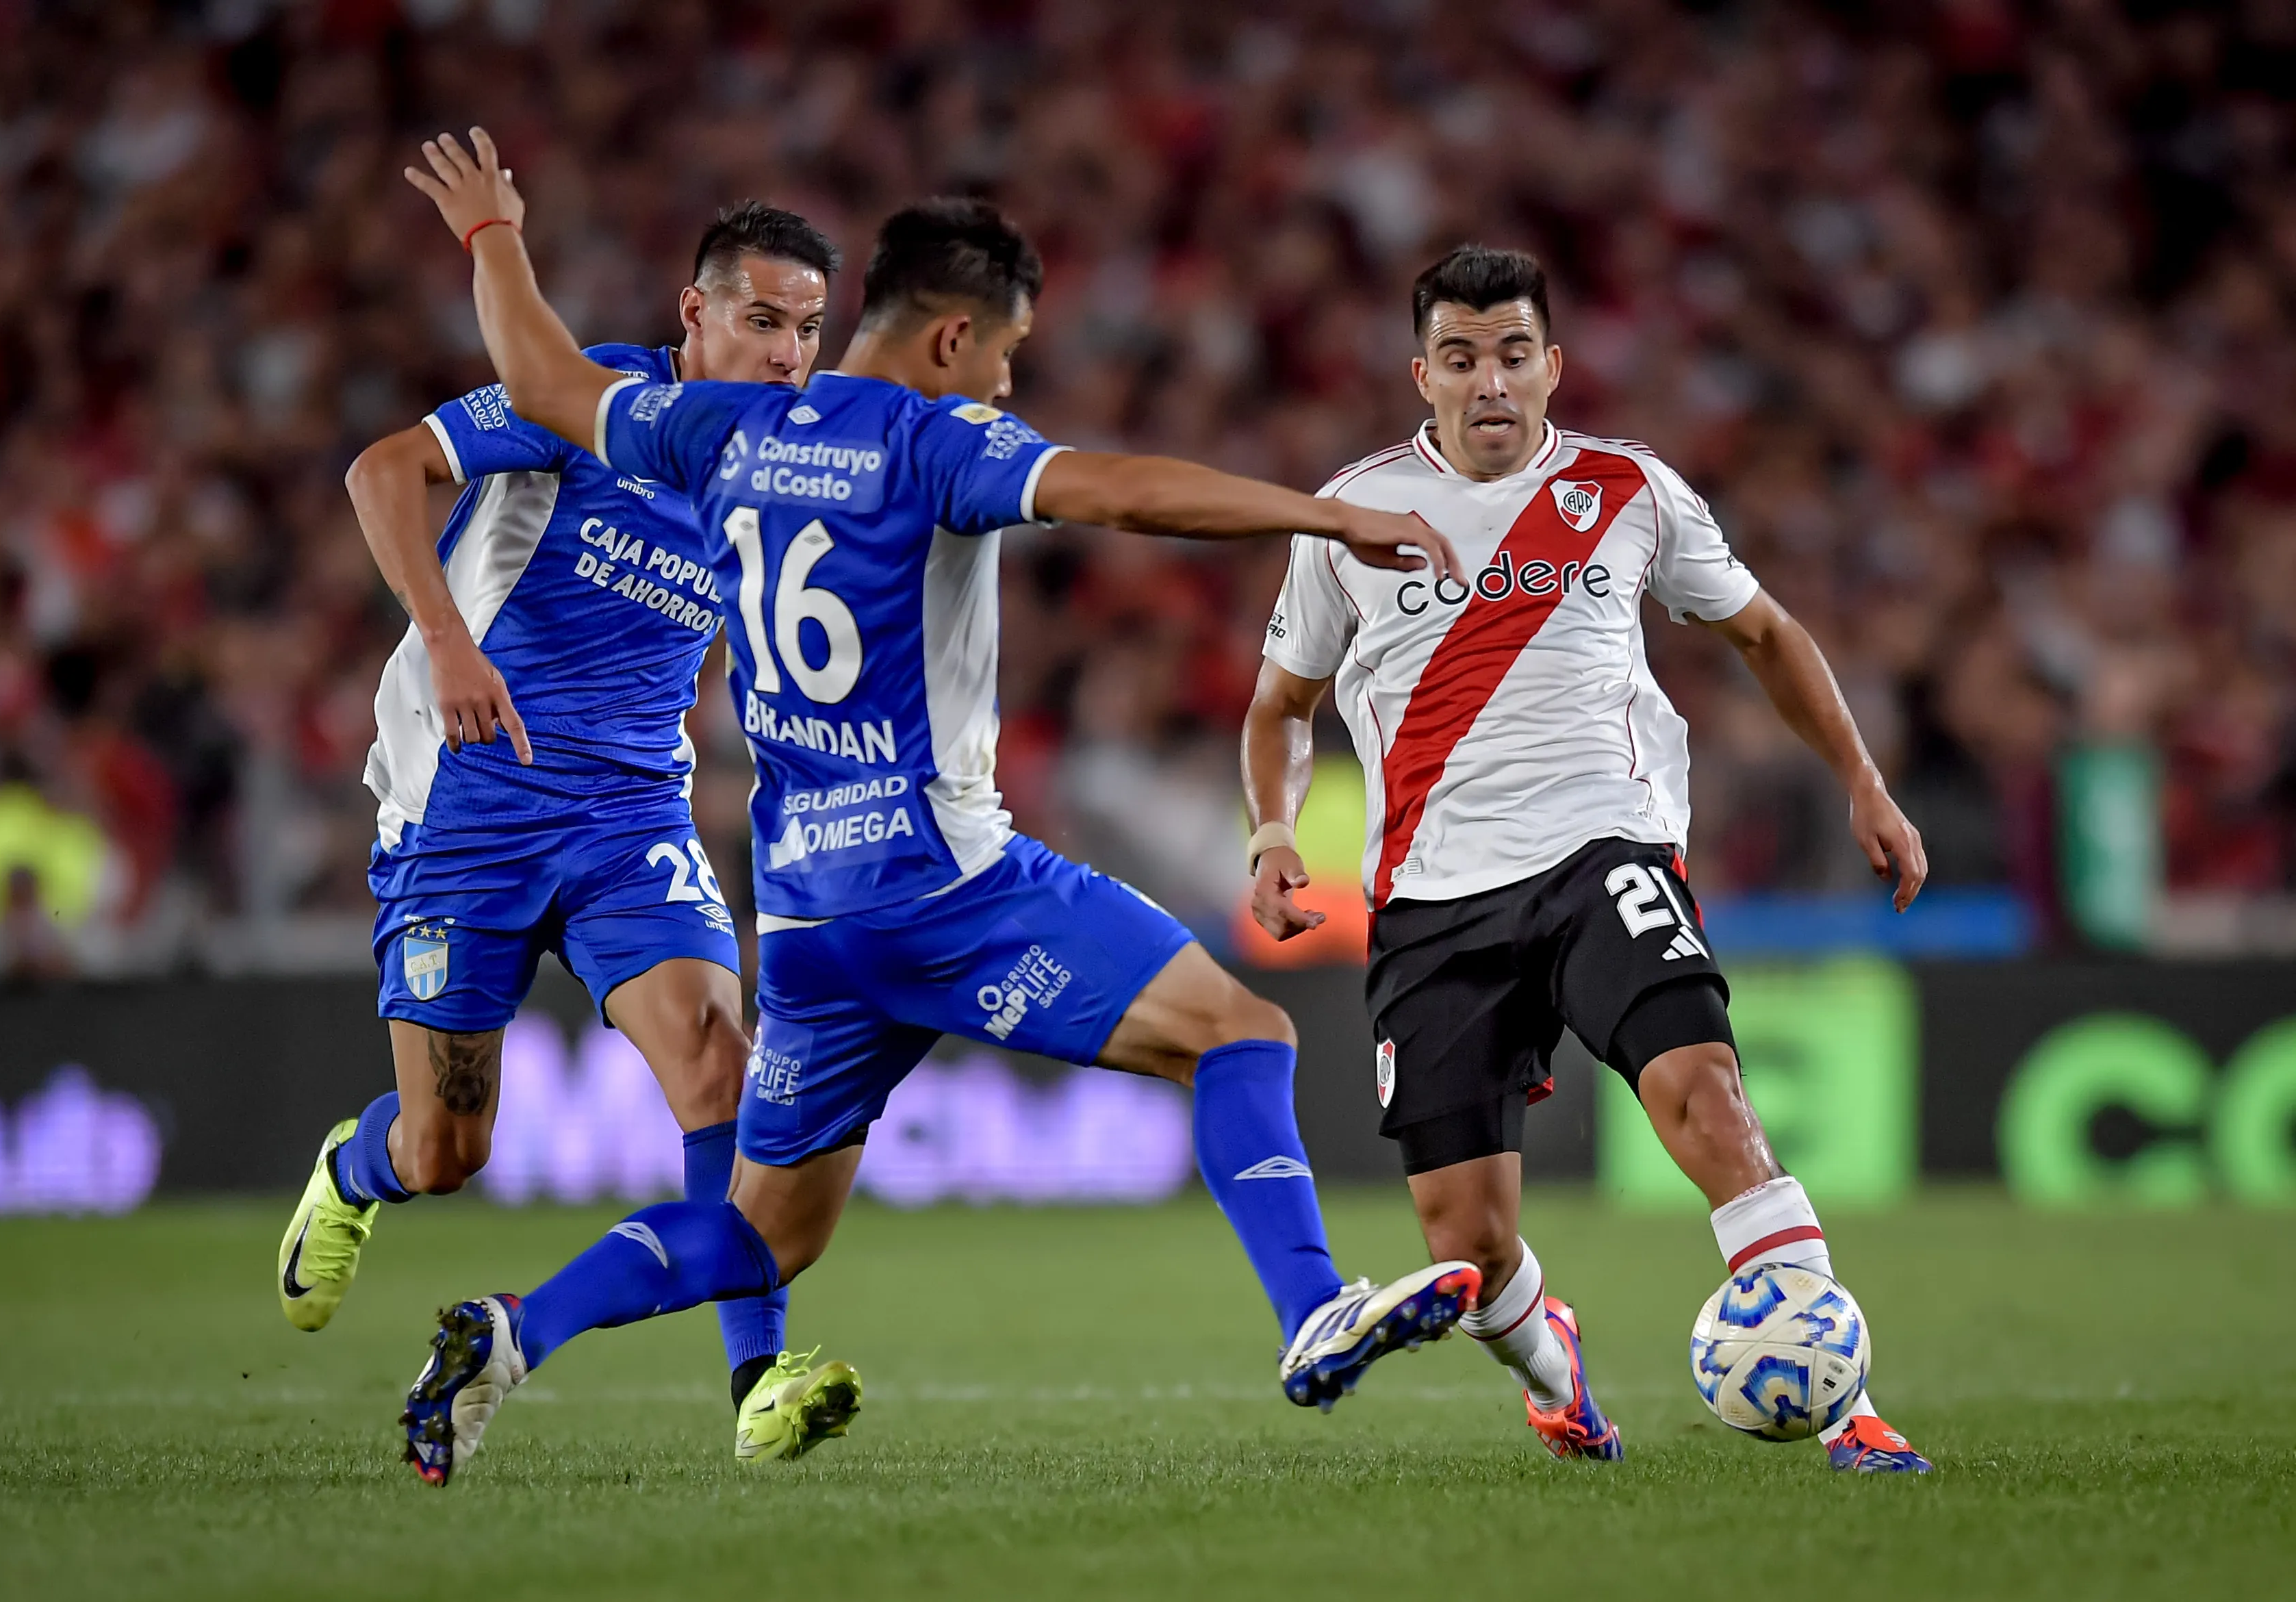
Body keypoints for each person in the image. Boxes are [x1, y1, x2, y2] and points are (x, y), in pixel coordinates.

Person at [388, 127, 1482, 1487]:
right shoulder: (930, 441)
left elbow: (540, 377)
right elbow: (1117, 493)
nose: (1013, 384)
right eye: (1010, 357)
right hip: (950, 887)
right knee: (1240, 1034)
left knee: (766, 1234)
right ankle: (1312, 1307)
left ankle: (505, 1334)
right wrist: (1322, 517)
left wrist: (494, 234)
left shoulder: (706, 425)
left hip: (806, 925)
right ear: (954, 341)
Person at [1239, 244, 1935, 1473]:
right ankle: (1554, 1367)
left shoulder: (1630, 490)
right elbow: (1279, 708)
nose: (1491, 382)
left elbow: (1766, 633)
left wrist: (1863, 781)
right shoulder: (1349, 517)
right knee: (1471, 1247)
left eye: (1514, 354)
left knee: (1705, 1097)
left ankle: (1848, 1408)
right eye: (1462, 359)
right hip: (1432, 897)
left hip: (1601, 847)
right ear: (1424, 375)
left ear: (1552, 366)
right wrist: (1278, 830)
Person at [277, 200, 863, 1465]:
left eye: (809, 330)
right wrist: (446, 641)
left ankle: (757, 1380)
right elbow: (382, 471)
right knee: (446, 1151)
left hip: (629, 818)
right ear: (694, 312)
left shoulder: (785, 458)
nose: (786, 355)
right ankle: (356, 1167)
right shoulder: (584, 400)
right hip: (467, 805)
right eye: (763, 321)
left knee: (722, 1067)